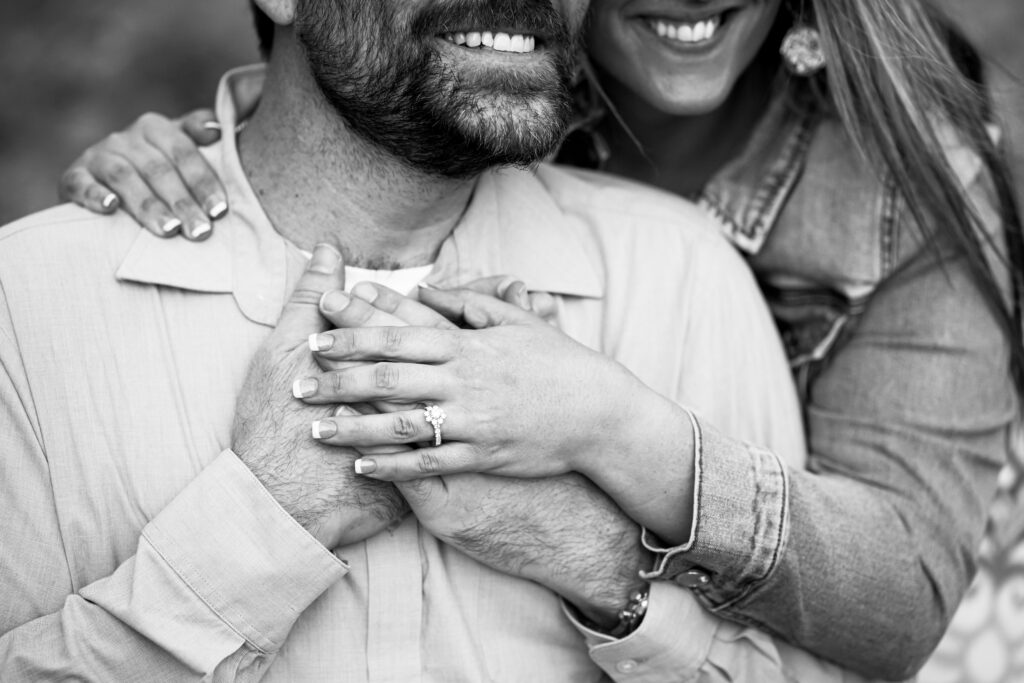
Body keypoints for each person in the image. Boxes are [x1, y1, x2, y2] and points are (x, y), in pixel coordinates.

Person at [61, 0, 1024, 679]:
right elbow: (340, 103)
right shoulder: (498, 87)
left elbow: (902, 601)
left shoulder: (912, 175)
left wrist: (602, 425)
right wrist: (214, 152)